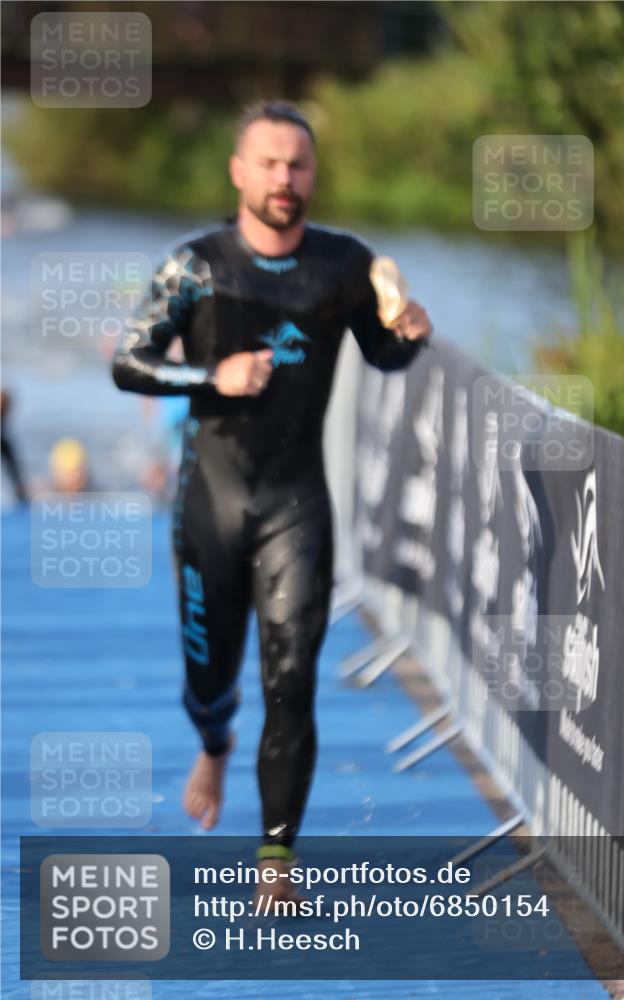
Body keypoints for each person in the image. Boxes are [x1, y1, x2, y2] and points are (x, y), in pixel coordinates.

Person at [112, 99, 432, 907]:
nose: (284, 179)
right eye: (269, 163)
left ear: (312, 175)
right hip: (209, 504)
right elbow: (129, 362)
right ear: (238, 172)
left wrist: (410, 334)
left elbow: (384, 353)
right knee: (208, 677)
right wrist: (208, 378)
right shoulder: (194, 266)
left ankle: (276, 858)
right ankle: (213, 744)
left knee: (292, 679)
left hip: (296, 503)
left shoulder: (343, 266)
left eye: (298, 165)